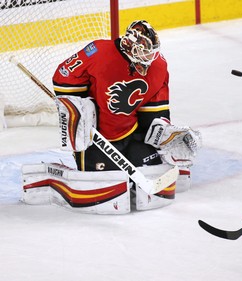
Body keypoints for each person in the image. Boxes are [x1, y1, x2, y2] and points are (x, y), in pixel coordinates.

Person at [50, 20, 201, 211]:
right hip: (97, 139)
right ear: (129, 45)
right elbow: (63, 76)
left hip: (132, 133)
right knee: (105, 181)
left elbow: (155, 110)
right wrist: (78, 109)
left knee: (151, 167)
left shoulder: (158, 66)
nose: (148, 57)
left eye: (151, 51)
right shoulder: (98, 51)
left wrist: (166, 136)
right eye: (143, 51)